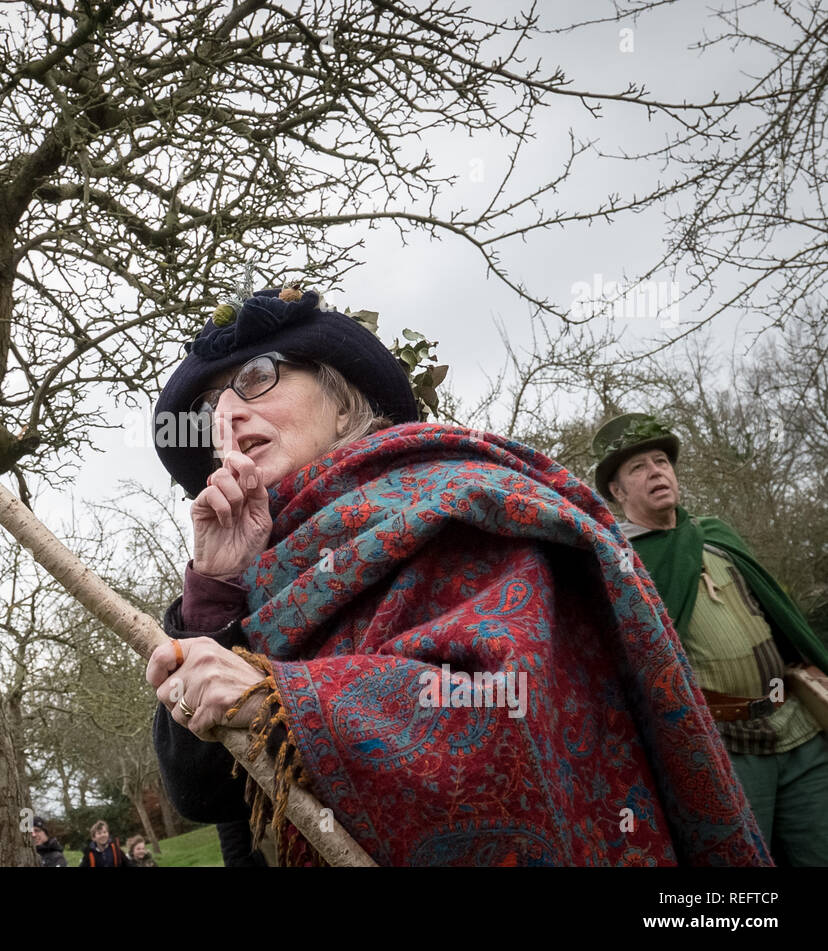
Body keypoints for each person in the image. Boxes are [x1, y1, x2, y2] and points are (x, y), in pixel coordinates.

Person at [145, 287, 768, 866]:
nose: (224, 415)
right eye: (207, 407)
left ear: (344, 402)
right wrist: (216, 589)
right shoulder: (246, 571)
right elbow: (202, 791)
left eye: (256, 379)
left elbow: (507, 717)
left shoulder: (463, 503)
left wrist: (283, 701)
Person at [594, 412, 828, 865]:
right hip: (723, 747)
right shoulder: (622, 565)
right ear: (618, 493)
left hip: (796, 728)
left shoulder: (716, 535)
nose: (656, 471)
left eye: (661, 460)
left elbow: (783, 619)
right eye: (638, 468)